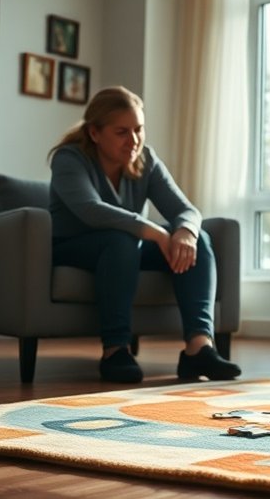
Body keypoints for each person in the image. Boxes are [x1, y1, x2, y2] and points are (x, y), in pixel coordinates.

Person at [47, 85, 241, 383]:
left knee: (197, 239)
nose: (134, 140)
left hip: (127, 247)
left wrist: (185, 232)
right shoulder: (68, 159)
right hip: (74, 246)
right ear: (95, 133)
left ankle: (198, 349)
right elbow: (90, 209)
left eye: (139, 129)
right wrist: (155, 232)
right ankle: (115, 350)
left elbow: (186, 209)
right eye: (122, 132)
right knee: (122, 239)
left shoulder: (146, 159)